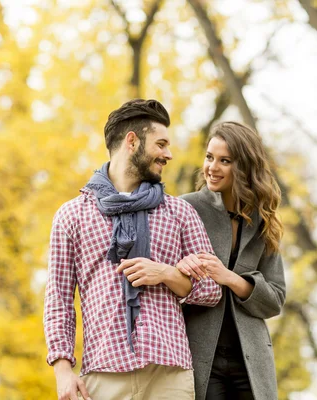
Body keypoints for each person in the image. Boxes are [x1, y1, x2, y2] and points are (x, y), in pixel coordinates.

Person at [43, 99, 222, 400]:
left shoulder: (179, 212)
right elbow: (59, 298)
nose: (169, 154)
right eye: (161, 144)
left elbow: (212, 288)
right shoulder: (72, 215)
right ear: (132, 141)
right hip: (102, 375)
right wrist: (62, 368)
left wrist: (166, 273)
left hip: (169, 374)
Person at [178, 121, 287, 400]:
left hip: (251, 362)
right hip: (202, 357)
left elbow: (274, 299)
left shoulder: (264, 221)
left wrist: (230, 278)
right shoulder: (184, 208)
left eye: (224, 161)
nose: (212, 168)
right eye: (209, 157)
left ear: (244, 167)